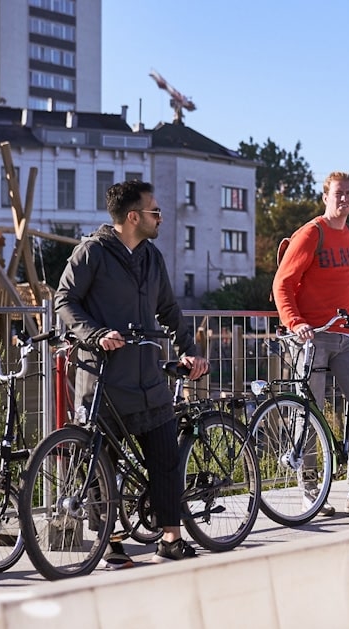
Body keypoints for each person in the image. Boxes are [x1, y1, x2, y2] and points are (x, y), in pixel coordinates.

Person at [55, 180, 210, 566]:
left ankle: (171, 539)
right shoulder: (91, 252)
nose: (161, 217)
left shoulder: (151, 257)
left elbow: (169, 311)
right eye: (155, 211)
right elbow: (65, 300)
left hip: (147, 377)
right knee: (100, 463)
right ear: (133, 217)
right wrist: (96, 333)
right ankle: (109, 543)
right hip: (104, 377)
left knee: (165, 456)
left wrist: (189, 352)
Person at [273, 171, 349, 517]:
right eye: (338, 193)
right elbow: (282, 284)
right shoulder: (312, 233)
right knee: (307, 410)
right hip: (311, 335)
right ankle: (310, 489)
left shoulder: (348, 234)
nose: (344, 199)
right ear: (325, 196)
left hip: (343, 333)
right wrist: (295, 323)